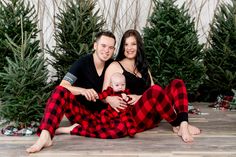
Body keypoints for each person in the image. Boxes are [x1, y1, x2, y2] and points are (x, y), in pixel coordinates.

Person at [102, 29, 201, 143]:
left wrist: (140, 97)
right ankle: (177, 124)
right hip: (134, 116)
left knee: (177, 83)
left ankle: (183, 124)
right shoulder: (115, 65)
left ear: (139, 46)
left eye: (133, 44)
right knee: (155, 90)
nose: (129, 48)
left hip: (153, 115)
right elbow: (104, 96)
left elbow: (153, 90)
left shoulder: (143, 67)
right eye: (126, 44)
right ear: (122, 47)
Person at [26, 30, 117, 153]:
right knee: (59, 91)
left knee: (118, 126)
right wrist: (82, 91)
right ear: (95, 46)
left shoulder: (113, 65)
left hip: (102, 116)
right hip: (80, 113)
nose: (107, 50)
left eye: (111, 47)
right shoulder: (82, 63)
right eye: (103, 46)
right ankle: (45, 137)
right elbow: (64, 85)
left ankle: (69, 129)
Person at [98, 72, 136, 137]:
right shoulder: (110, 90)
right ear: (112, 85)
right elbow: (102, 95)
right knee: (104, 114)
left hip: (123, 112)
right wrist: (98, 96)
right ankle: (105, 126)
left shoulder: (125, 92)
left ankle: (131, 129)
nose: (120, 87)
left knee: (128, 118)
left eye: (123, 85)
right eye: (117, 85)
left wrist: (127, 98)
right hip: (111, 111)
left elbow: (130, 101)